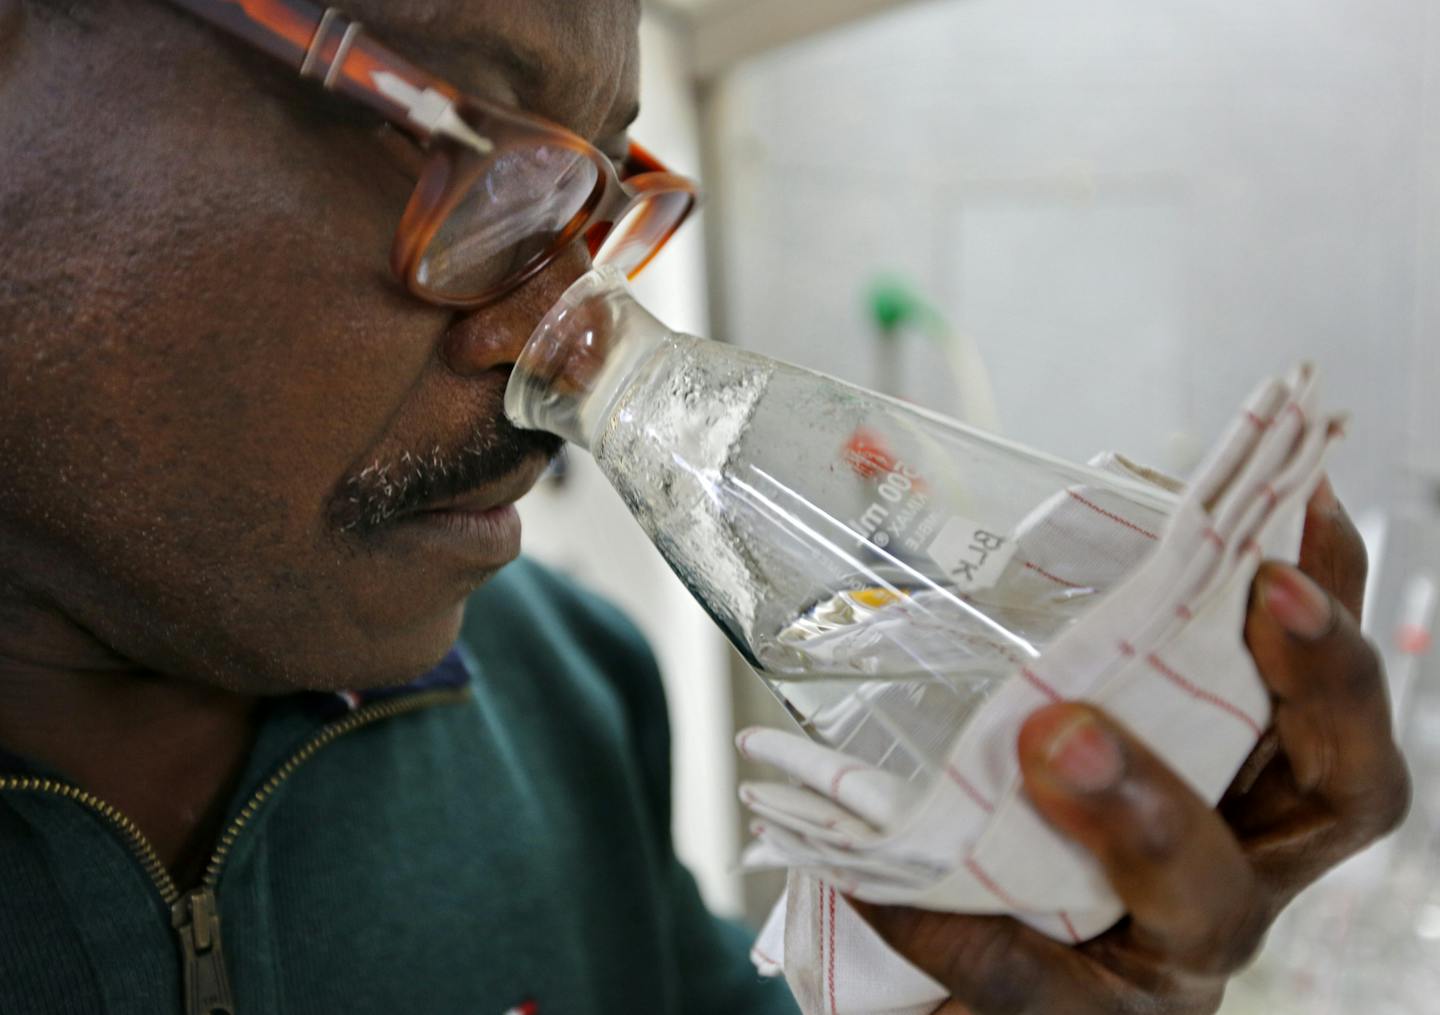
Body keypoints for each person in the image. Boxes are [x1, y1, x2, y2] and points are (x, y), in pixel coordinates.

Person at [0, 1, 1410, 1013]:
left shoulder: (566, 686)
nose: (571, 332)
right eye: (468, 140)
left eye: (601, 198)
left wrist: (1032, 974)